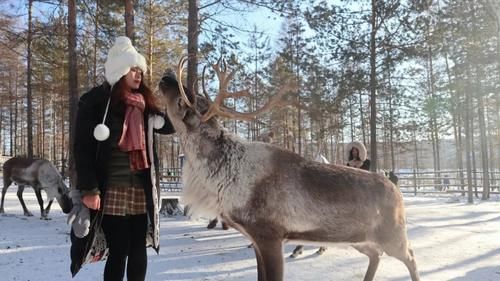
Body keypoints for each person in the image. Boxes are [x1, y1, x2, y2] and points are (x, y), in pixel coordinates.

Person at [67, 36, 175, 281]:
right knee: (118, 250)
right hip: (111, 188)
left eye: (140, 70)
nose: (138, 75)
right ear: (119, 70)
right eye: (132, 69)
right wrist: (90, 188)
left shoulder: (145, 105)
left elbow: (170, 126)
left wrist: (168, 98)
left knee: (138, 247)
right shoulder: (95, 101)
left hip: (140, 188)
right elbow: (82, 147)